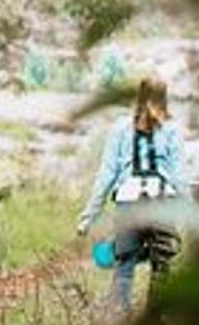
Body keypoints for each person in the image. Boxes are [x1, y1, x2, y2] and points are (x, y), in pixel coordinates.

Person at [77, 76, 189, 310]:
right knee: (161, 265)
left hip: (129, 203)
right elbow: (179, 177)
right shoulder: (172, 129)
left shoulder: (120, 128)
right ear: (164, 100)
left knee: (124, 264)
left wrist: (89, 216)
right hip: (162, 202)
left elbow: (106, 175)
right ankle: (155, 319)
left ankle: (119, 314)